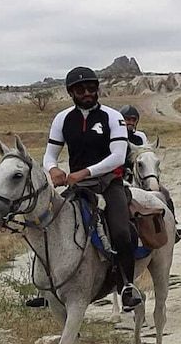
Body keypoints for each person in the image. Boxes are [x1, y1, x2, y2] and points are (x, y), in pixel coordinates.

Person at [43, 67, 143, 311]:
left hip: (109, 184)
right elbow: (49, 154)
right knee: (46, 226)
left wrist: (85, 172)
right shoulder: (62, 119)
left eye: (91, 88)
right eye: (81, 89)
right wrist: (54, 169)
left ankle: (127, 285)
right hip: (77, 187)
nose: (87, 93)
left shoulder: (112, 117)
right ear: (71, 92)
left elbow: (118, 156)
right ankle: (45, 286)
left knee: (121, 231)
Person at [119, 103, 181, 241]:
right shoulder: (116, 135)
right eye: (127, 119)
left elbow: (146, 155)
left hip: (140, 174)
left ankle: (174, 226)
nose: (130, 122)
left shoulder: (140, 136)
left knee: (164, 193)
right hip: (120, 175)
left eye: (133, 120)